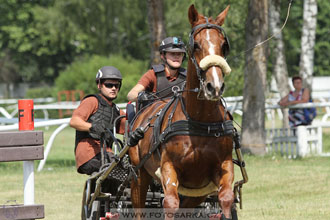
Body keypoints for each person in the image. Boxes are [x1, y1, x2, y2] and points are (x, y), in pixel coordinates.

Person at [70, 66, 126, 175]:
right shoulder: (92, 101)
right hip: (89, 154)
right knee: (117, 171)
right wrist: (92, 127)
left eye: (116, 85)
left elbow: (131, 126)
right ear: (99, 85)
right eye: (109, 85)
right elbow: (74, 121)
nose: (113, 88)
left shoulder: (116, 110)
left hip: (107, 154)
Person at [127, 36, 187, 106]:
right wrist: (141, 96)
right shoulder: (153, 74)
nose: (176, 56)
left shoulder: (188, 76)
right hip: (155, 115)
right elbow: (130, 95)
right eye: (172, 53)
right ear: (163, 55)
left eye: (179, 54)